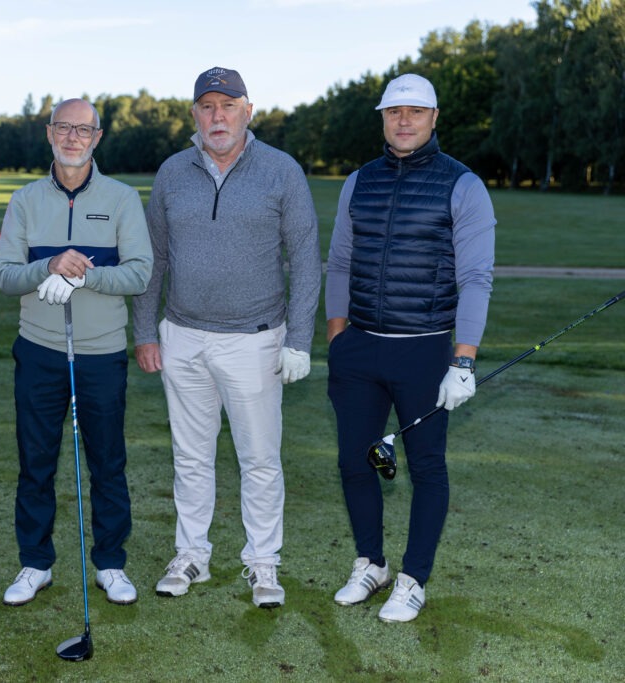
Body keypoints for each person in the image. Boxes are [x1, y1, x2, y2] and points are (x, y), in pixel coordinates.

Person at [132, 67, 321, 608]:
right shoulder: (172, 172)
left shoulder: (281, 171)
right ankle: (192, 554)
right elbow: (155, 259)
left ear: (248, 111)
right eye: (208, 106)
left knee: (259, 459)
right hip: (182, 337)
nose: (218, 116)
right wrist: (146, 330)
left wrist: (299, 341)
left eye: (228, 105)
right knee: (190, 459)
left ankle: (263, 563)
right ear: (194, 114)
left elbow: (306, 261)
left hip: (255, 339)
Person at [325, 73, 495, 622]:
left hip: (423, 350)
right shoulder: (359, 181)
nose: (404, 121)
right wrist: (337, 333)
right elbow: (342, 263)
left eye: (415, 112)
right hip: (359, 348)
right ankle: (370, 564)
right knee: (355, 460)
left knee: (426, 467)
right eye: (394, 112)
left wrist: (462, 359)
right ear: (382, 118)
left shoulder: (462, 184)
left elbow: (476, 278)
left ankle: (412, 579)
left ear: (433, 118)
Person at [0, 98, 153, 606]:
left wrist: (81, 274)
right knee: (36, 461)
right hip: (39, 350)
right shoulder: (24, 201)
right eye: (63, 127)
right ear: (49, 133)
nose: (72, 137)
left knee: (107, 461)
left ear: (97, 138)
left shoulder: (123, 198)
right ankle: (34, 563)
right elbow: (4, 275)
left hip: (102, 354)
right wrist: (46, 269)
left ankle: (110, 563)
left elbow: (139, 272)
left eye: (83, 130)